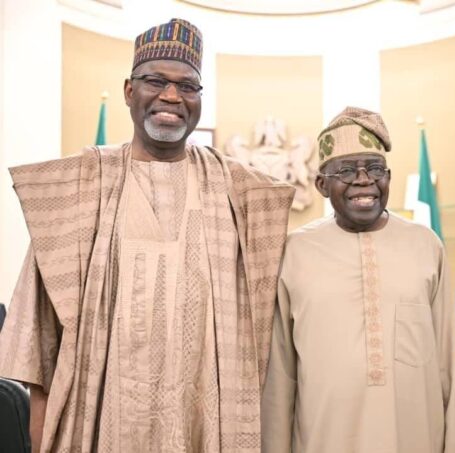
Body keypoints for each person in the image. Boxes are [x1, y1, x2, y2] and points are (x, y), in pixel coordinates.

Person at [0, 18, 294, 452]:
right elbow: (39, 346)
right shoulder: (81, 189)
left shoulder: (239, 193)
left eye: (187, 86)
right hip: (103, 430)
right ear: (128, 91)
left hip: (204, 431)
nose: (171, 96)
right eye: (155, 81)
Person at [261, 106, 455, 453]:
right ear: (321, 185)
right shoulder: (294, 252)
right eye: (346, 170)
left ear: (388, 177)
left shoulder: (425, 245)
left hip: (415, 440)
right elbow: (280, 377)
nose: (363, 180)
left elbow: (450, 362)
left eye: (374, 169)